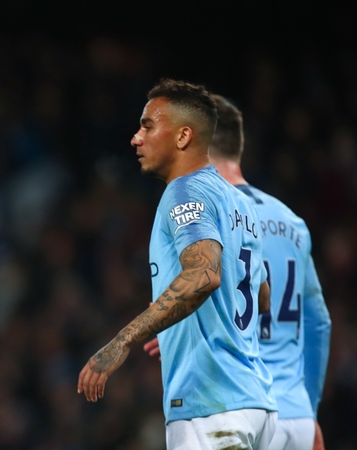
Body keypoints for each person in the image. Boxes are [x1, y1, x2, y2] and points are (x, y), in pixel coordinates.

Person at [77, 78, 277, 449]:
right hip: (258, 405)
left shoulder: (184, 191)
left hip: (211, 406)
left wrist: (123, 341)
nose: (136, 138)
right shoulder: (241, 204)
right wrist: (178, 329)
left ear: (183, 136)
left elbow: (203, 276)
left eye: (148, 126)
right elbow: (261, 296)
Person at [197, 94, 330, 450]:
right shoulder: (292, 222)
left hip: (246, 414)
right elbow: (319, 324)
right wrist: (309, 411)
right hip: (297, 418)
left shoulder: (211, 216)